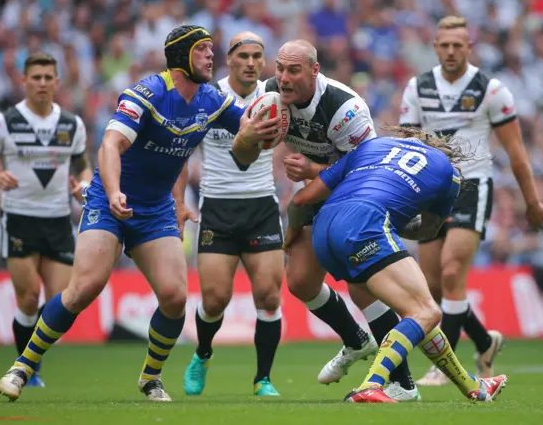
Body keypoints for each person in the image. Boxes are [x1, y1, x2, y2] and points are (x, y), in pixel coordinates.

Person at [0, 25, 280, 403]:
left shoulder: (211, 99)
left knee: (175, 296)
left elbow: (248, 130)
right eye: (204, 50)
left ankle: (150, 377)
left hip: (156, 208)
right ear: (181, 57)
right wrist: (113, 192)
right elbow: (110, 145)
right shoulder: (146, 93)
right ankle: (22, 366)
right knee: (84, 289)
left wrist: (267, 127)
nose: (213, 56)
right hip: (109, 202)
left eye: (213, 50)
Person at [232, 39, 419, 402]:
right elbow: (241, 157)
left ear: (315, 71)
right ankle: (356, 340)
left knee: (362, 285)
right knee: (300, 281)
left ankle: (403, 384)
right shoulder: (268, 95)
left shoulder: (345, 109)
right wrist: (247, 136)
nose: (283, 78)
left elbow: (368, 172)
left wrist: (314, 169)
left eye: (293, 70)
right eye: (280, 68)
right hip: (318, 193)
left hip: (360, 194)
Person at [283, 127, 508, 403]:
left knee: (417, 312)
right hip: (365, 224)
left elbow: (300, 200)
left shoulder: (371, 147)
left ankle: (472, 387)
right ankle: (372, 384)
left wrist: (292, 231)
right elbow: (427, 231)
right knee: (426, 311)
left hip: (323, 233)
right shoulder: (449, 173)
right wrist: (399, 221)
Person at [399, 16, 543, 386]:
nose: (451, 51)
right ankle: (485, 342)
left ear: (469, 48)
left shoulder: (491, 89)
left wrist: (532, 202)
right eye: (444, 45)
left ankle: (442, 367)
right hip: (432, 189)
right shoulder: (418, 88)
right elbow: (407, 144)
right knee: (434, 288)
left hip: (473, 187)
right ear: (435, 48)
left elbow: (516, 151)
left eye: (458, 45)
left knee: (453, 273)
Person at [0, 52, 92, 388]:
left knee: (62, 298)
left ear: (56, 82)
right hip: (20, 219)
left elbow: (84, 166)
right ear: (23, 81)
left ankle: (28, 360)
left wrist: (84, 184)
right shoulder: (3, 122)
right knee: (28, 295)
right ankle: (27, 368)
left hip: (58, 219)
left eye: (47, 77)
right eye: (35, 77)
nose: (41, 83)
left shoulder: (71, 124)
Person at [181, 32, 282, 397]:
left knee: (269, 296)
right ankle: (203, 355)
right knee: (214, 299)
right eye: (244, 56)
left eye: (258, 55)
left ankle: (263, 379)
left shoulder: (274, 97)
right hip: (218, 208)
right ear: (230, 59)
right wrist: (179, 201)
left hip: (261, 206)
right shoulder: (209, 97)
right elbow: (182, 152)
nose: (252, 62)